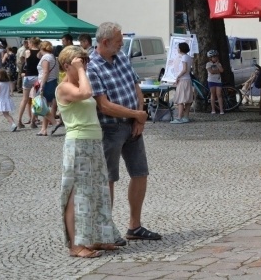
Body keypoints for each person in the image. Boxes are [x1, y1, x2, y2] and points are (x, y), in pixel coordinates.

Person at [57, 45, 149, 258]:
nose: (85, 66)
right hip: (78, 143)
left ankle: (97, 237)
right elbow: (87, 93)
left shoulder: (81, 81)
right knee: (76, 193)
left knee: (97, 192)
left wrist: (81, 69)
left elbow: (90, 95)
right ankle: (75, 245)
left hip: (93, 141)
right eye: (80, 62)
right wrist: (80, 69)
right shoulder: (63, 88)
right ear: (66, 65)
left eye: (86, 62)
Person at [87, 22, 162, 242]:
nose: (121, 45)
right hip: (109, 127)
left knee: (140, 173)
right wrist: (135, 115)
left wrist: (140, 116)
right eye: (118, 42)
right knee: (108, 178)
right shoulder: (91, 67)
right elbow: (104, 105)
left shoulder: (120, 58)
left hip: (132, 124)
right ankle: (106, 230)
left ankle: (134, 226)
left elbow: (135, 87)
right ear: (105, 42)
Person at [35, 41, 60, 136]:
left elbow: (45, 72)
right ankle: (43, 129)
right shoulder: (53, 57)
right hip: (52, 82)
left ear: (41, 48)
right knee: (45, 106)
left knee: (37, 106)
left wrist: (41, 86)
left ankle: (54, 122)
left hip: (45, 83)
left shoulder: (45, 58)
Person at [16, 37, 42, 128]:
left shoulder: (27, 52)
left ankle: (19, 121)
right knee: (36, 99)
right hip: (36, 77)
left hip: (27, 77)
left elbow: (26, 64)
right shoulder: (40, 53)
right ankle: (33, 121)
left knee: (24, 99)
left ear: (31, 43)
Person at [171, 41, 193, 124]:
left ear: (181, 49)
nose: (177, 49)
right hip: (188, 79)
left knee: (181, 99)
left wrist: (178, 76)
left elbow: (184, 69)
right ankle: (186, 117)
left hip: (183, 79)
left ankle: (179, 117)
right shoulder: (188, 57)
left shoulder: (183, 57)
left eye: (178, 47)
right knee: (188, 100)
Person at [205, 49, 224, 115]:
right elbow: (211, 72)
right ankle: (213, 109)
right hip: (211, 80)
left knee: (219, 94)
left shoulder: (219, 63)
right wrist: (217, 71)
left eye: (216, 57)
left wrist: (218, 65)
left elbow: (221, 70)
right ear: (210, 58)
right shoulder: (208, 64)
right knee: (213, 94)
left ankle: (221, 109)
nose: (215, 58)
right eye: (214, 57)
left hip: (218, 80)